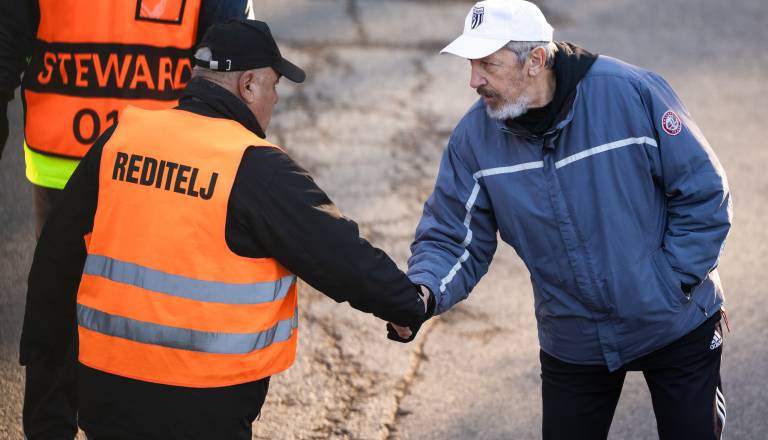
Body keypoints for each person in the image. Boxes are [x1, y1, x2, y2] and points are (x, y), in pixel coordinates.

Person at [20, 19, 433, 440]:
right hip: (201, 403)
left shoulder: (122, 140)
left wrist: (46, 405)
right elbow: (338, 254)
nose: (274, 99)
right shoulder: (252, 165)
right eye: (274, 86)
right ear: (248, 85)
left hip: (104, 393)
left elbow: (56, 256)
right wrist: (405, 305)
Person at [398, 1, 732, 439]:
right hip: (574, 337)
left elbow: (704, 192)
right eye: (471, 64)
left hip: (676, 319)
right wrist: (422, 294)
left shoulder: (630, 93)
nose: (473, 80)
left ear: (535, 60)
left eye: (487, 64)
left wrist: (669, 283)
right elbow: (451, 237)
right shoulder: (473, 140)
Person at [0, 0, 252, 237]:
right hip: (165, 171)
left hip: (68, 164)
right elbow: (230, 69)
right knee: (152, 281)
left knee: (62, 279)